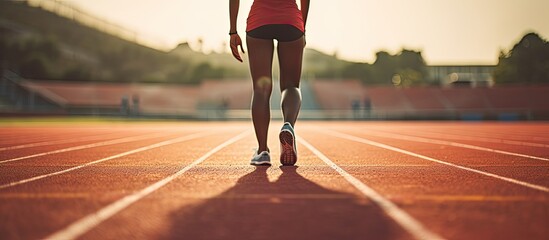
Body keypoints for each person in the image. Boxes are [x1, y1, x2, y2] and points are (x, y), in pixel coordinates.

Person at [229, 0, 309, 166]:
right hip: (291, 21)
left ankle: (262, 150)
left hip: (259, 21)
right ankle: (288, 125)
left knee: (261, 89)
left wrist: (233, 31)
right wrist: (303, 28)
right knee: (291, 85)